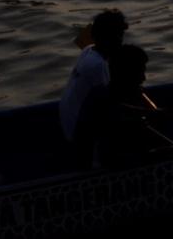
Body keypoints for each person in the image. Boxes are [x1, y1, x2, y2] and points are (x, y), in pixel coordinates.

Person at [73, 44, 163, 169]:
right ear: (124, 74)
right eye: (139, 73)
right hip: (106, 173)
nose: (143, 78)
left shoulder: (126, 92)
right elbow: (117, 110)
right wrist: (148, 114)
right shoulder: (100, 98)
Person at [60, 9, 128, 151]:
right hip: (78, 136)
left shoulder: (88, 50)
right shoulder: (97, 66)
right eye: (120, 36)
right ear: (111, 38)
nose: (121, 41)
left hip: (68, 125)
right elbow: (109, 107)